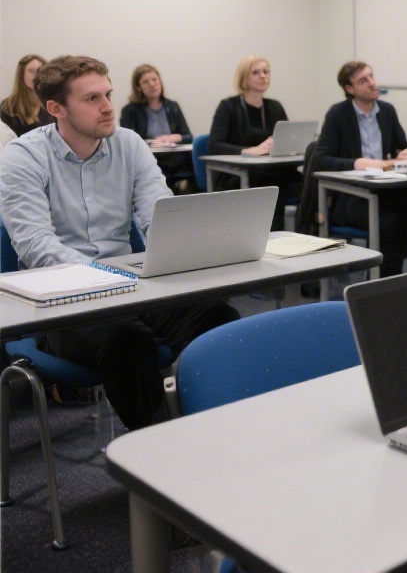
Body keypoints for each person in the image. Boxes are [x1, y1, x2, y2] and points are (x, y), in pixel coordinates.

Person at [0, 56, 238, 430]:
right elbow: (37, 247)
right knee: (127, 341)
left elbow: (160, 216)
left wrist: (195, 247)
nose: (109, 107)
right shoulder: (23, 156)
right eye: (92, 99)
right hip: (60, 302)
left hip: (132, 285)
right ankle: (159, 455)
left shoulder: (129, 145)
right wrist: (114, 278)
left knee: (219, 318)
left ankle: (223, 431)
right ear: (56, 108)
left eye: (108, 94)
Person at [313, 61, 407, 277]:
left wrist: (405, 153)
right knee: (388, 222)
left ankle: (385, 271)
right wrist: (358, 162)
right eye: (363, 80)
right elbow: (320, 160)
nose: (372, 83)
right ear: (350, 89)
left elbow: (401, 146)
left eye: (371, 76)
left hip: (386, 192)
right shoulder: (338, 115)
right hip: (350, 196)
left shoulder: (386, 111)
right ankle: (384, 276)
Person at [208, 55, 300, 230]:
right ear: (244, 77)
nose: (263, 76)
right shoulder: (228, 107)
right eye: (256, 72)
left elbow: (287, 138)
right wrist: (250, 150)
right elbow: (214, 144)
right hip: (239, 173)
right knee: (272, 187)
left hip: (274, 169)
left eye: (266, 72)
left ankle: (307, 239)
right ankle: (274, 241)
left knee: (309, 185)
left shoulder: (275, 106)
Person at [119, 64, 195, 192]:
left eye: (154, 79)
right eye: (146, 82)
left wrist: (170, 138)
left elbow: (188, 136)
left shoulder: (172, 106)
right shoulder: (130, 110)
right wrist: (152, 143)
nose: (152, 84)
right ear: (138, 87)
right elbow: (128, 141)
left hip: (175, 157)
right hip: (149, 159)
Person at [0, 53, 52, 137]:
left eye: (41, 70)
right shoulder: (8, 107)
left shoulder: (50, 102)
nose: (38, 75)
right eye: (32, 71)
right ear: (21, 75)